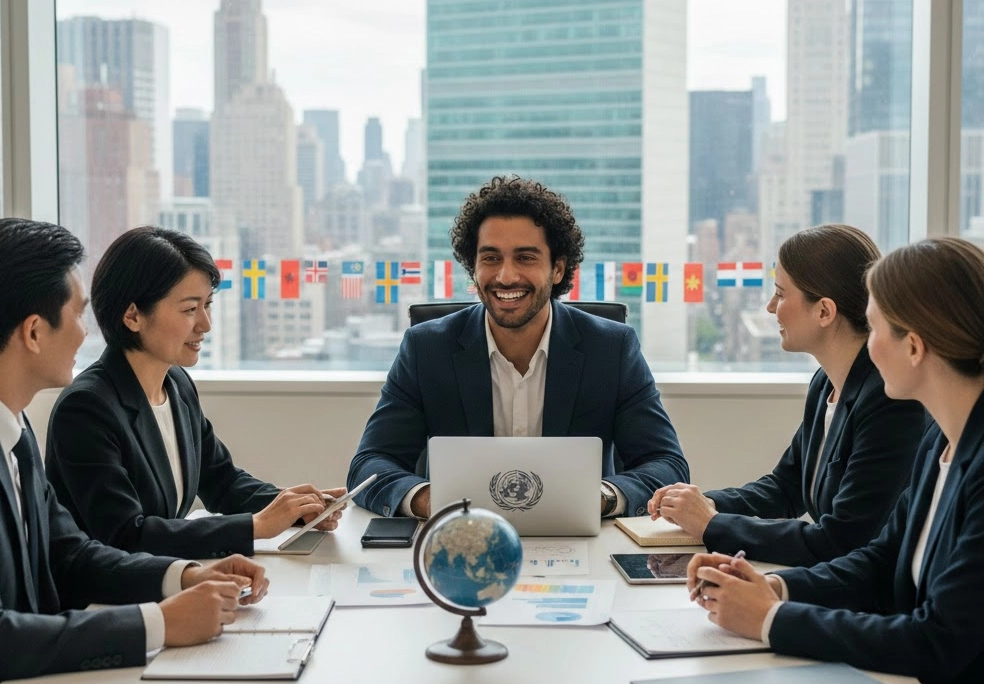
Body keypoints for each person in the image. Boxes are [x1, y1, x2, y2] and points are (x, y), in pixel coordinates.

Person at [0, 219, 271, 683]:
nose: (87, 333)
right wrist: (159, 623)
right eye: (79, 314)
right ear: (33, 332)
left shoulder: (12, 425)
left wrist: (183, 576)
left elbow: (70, 554)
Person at [687, 237, 984, 682]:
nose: (869, 347)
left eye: (875, 328)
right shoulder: (940, 443)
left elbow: (938, 640)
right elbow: (882, 560)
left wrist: (769, 619)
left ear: (914, 347)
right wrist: (771, 588)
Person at [347, 176, 688, 518]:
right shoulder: (426, 349)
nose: (506, 276)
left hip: (582, 542)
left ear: (557, 269)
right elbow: (369, 465)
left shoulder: (612, 349)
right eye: (491, 258)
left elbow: (667, 465)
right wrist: (426, 499)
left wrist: (600, 497)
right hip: (461, 539)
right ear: (474, 267)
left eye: (525, 258)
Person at [44, 227, 345, 560]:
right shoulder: (87, 408)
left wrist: (295, 507)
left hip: (164, 575)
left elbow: (222, 482)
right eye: (189, 309)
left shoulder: (176, 384)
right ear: (132, 316)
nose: (205, 324)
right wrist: (256, 526)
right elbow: (126, 535)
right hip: (106, 598)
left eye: (208, 305)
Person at [647, 225, 924, 566]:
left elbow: (841, 540)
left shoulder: (889, 402)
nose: (769, 307)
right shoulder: (825, 382)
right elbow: (785, 489)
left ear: (824, 311)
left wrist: (711, 524)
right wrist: (700, 503)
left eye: (780, 294)